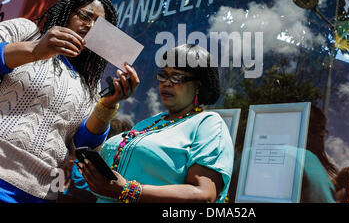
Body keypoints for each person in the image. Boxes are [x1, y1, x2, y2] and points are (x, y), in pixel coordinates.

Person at [0, 0, 139, 203]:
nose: (90, 26)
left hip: (38, 194)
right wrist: (36, 49)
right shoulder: (27, 32)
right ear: (65, 13)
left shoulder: (89, 87)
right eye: (84, 16)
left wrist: (108, 105)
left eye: (99, 27)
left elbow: (82, 145)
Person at [78, 44, 234, 203]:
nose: (166, 83)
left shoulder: (208, 124)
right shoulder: (151, 123)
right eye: (164, 75)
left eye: (176, 77)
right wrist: (108, 103)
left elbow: (204, 194)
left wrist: (126, 190)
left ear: (198, 86)